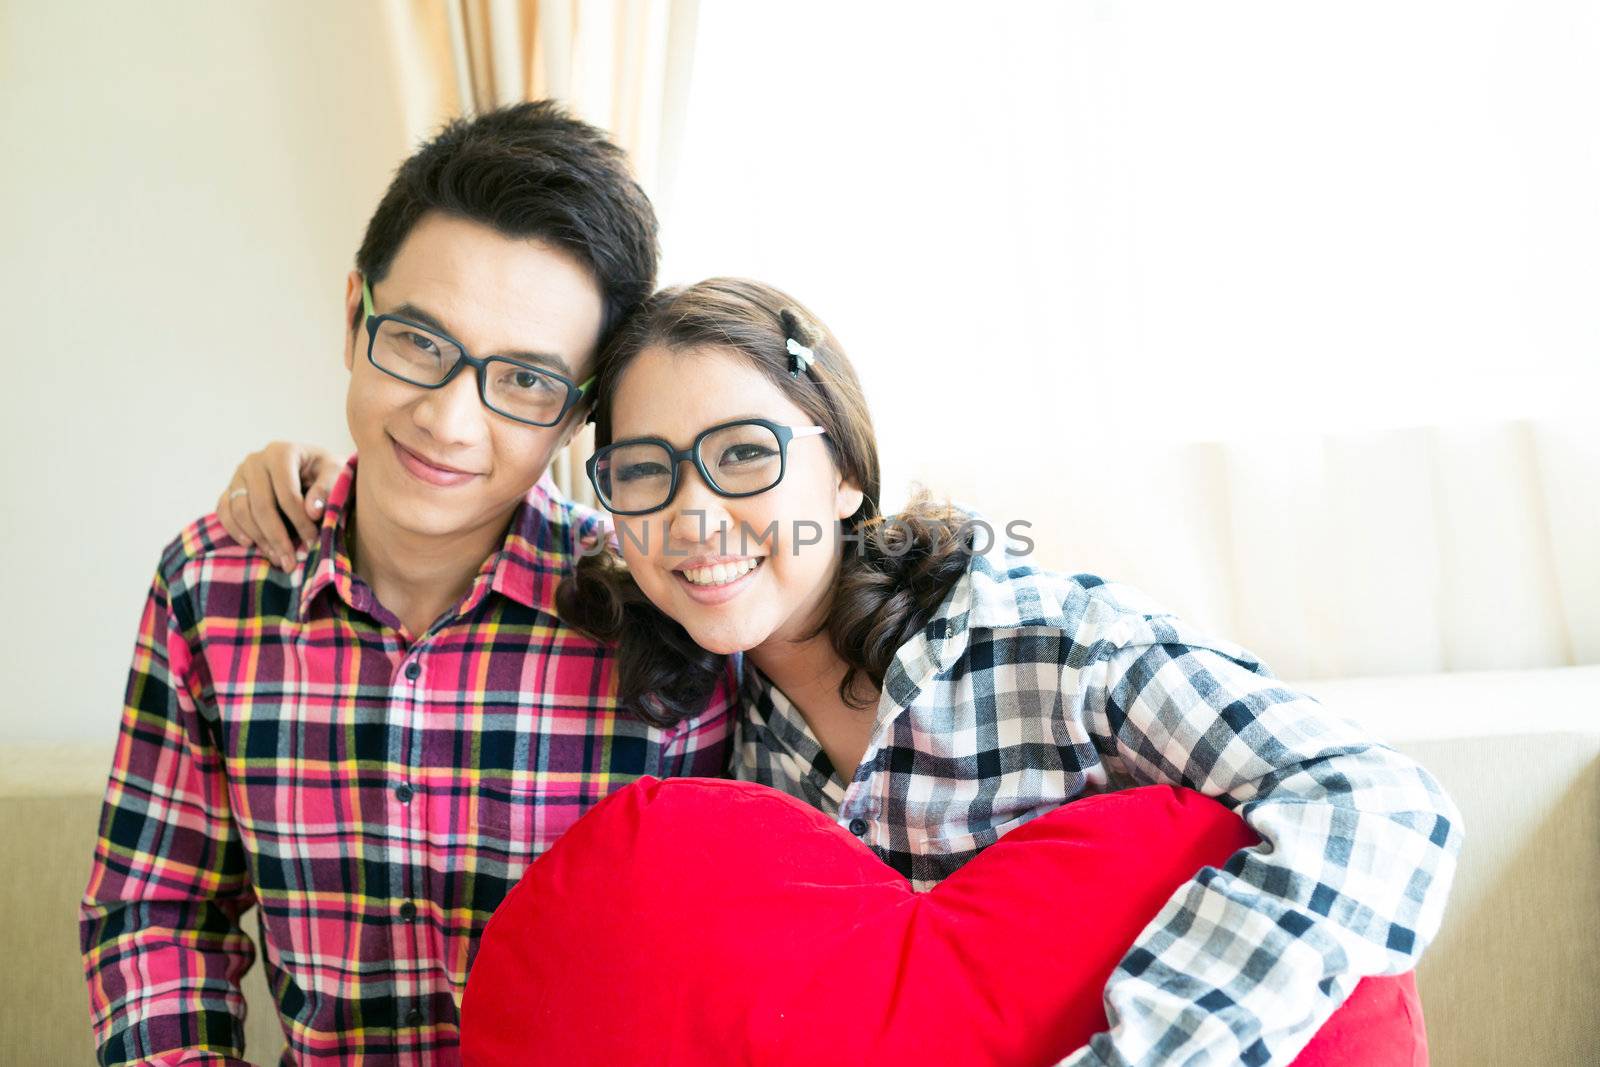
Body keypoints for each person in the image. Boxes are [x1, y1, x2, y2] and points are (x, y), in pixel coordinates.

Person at [234, 277, 1463, 1065]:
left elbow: (1378, 802)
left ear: (846, 474)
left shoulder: (1052, 644)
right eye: (645, 473)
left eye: (742, 456)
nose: (695, 515)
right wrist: (304, 481)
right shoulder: (700, 718)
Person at [80, 103, 734, 1067]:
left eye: (524, 382)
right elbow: (156, 916)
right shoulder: (213, 588)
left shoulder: (656, 611)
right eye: (422, 343)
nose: (449, 420)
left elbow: (724, 977)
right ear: (354, 315)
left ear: (577, 417)